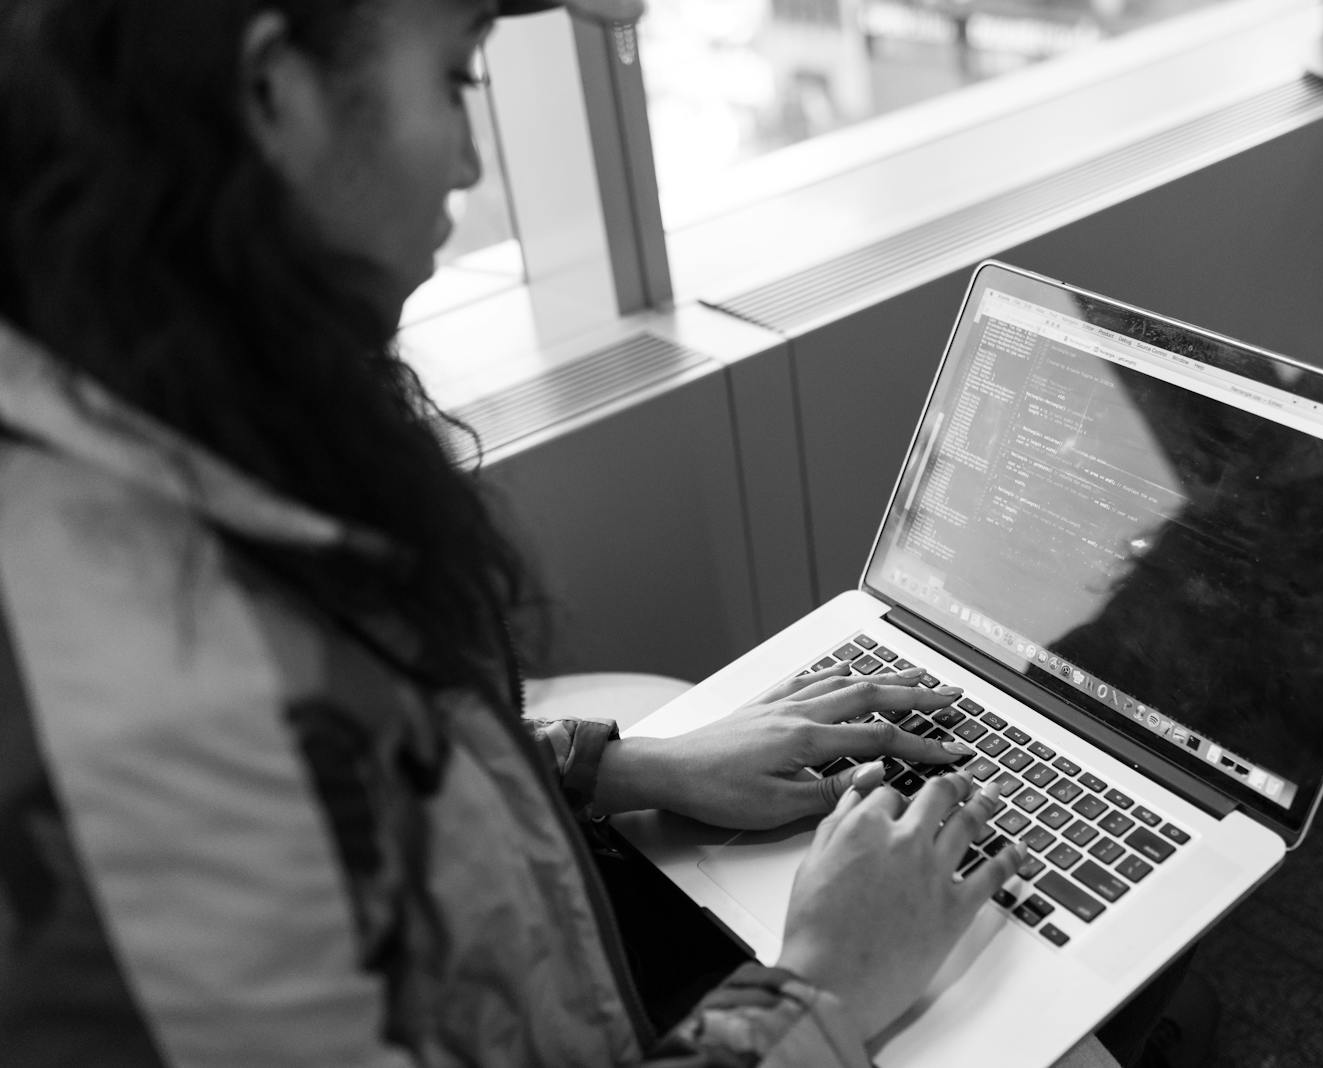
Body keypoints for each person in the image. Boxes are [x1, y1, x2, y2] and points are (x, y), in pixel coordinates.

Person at [0, 1, 1143, 1065]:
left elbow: (384, 787)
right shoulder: (158, 727)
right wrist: (824, 987)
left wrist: (617, 766)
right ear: (272, 94)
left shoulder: (160, 419)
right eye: (455, 80)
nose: (470, 162)